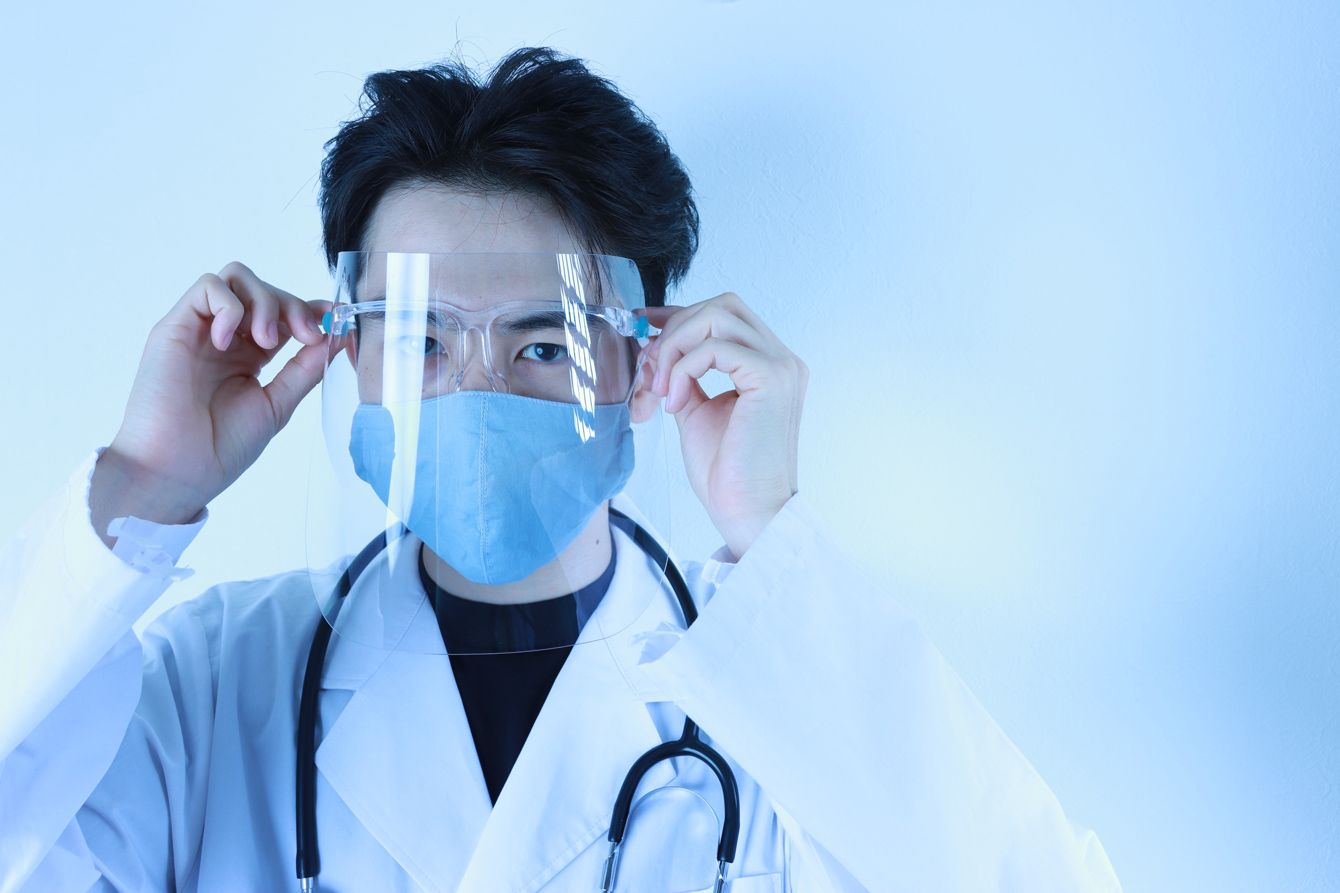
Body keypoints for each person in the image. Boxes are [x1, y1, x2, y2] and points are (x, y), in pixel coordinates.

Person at [0, 47, 1122, 892]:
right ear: (348, 352)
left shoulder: (783, 696)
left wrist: (769, 532)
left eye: (544, 345)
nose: (474, 389)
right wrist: (145, 485)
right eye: (419, 339)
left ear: (644, 357)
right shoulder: (212, 688)